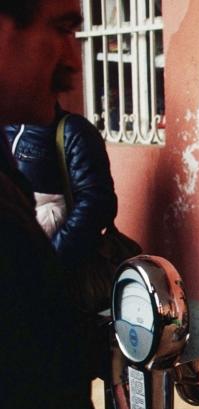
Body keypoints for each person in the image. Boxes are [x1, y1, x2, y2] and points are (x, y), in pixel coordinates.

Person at [0, 0, 110, 409]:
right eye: (63, 27)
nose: (74, 58)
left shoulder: (72, 134)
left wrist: (56, 259)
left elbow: (96, 203)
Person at [4, 102, 119, 314]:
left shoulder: (74, 131)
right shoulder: (5, 131)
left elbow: (96, 203)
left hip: (59, 279)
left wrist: (49, 261)